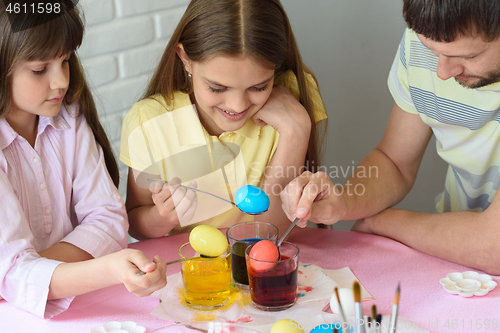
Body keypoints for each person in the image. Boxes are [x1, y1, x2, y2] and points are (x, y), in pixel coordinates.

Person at [281, 0, 500, 275]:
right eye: (432, 50)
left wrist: (382, 222)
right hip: (457, 265)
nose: (443, 73)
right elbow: (395, 162)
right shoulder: (428, 39)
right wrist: (344, 202)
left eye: (468, 57)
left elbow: (493, 246)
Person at [0, 2, 167, 319]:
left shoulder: (68, 117)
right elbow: (12, 276)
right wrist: (105, 267)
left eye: (65, 61)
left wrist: (29, 274)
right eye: (40, 69)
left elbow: (109, 220)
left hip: (72, 306)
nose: (61, 80)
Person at [120, 0, 327, 239]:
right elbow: (134, 222)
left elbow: (272, 235)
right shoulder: (148, 121)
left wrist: (296, 131)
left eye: (259, 87)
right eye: (217, 88)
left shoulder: (293, 98)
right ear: (185, 58)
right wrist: (163, 216)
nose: (237, 105)